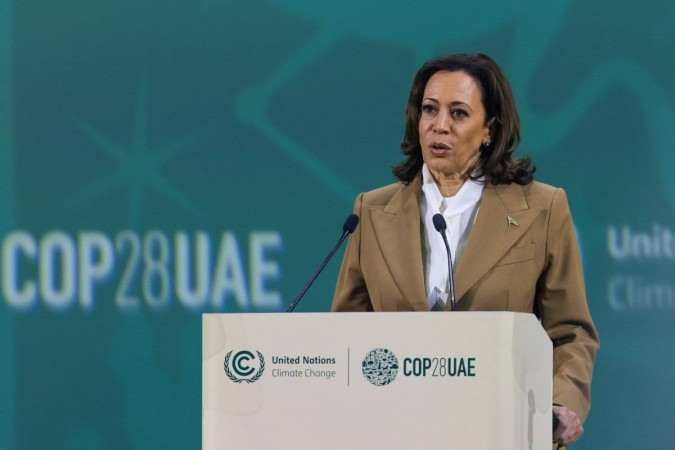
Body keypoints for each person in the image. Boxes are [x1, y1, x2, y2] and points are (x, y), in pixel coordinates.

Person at [331, 53, 598, 448]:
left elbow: (570, 332)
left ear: (490, 129)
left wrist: (561, 403)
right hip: (395, 431)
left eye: (458, 113)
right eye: (429, 109)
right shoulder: (371, 211)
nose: (439, 125)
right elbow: (344, 334)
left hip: (500, 429)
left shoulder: (542, 208)